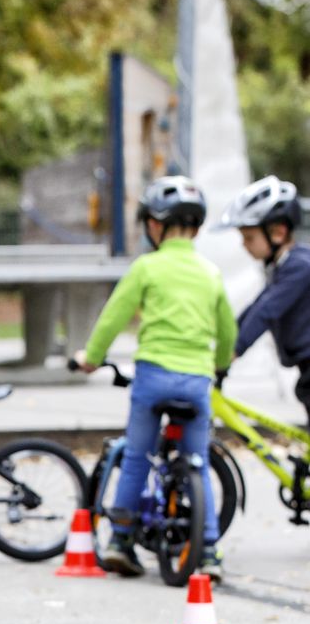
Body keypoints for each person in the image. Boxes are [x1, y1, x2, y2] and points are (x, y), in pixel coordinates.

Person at [79, 175, 237, 582]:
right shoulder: (210, 272)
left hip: (153, 377)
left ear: (154, 225)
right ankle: (210, 554)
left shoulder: (146, 267)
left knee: (136, 456)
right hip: (196, 379)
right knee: (198, 462)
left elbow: (113, 316)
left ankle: (121, 541)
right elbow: (228, 332)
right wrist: (219, 366)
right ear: (198, 227)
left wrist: (91, 358)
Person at [215, 176, 310, 430]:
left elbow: (266, 312)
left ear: (278, 232)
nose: (244, 246)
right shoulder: (283, 266)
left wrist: (230, 354)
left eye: (249, 238)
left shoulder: (299, 267)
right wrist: (223, 342)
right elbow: (255, 308)